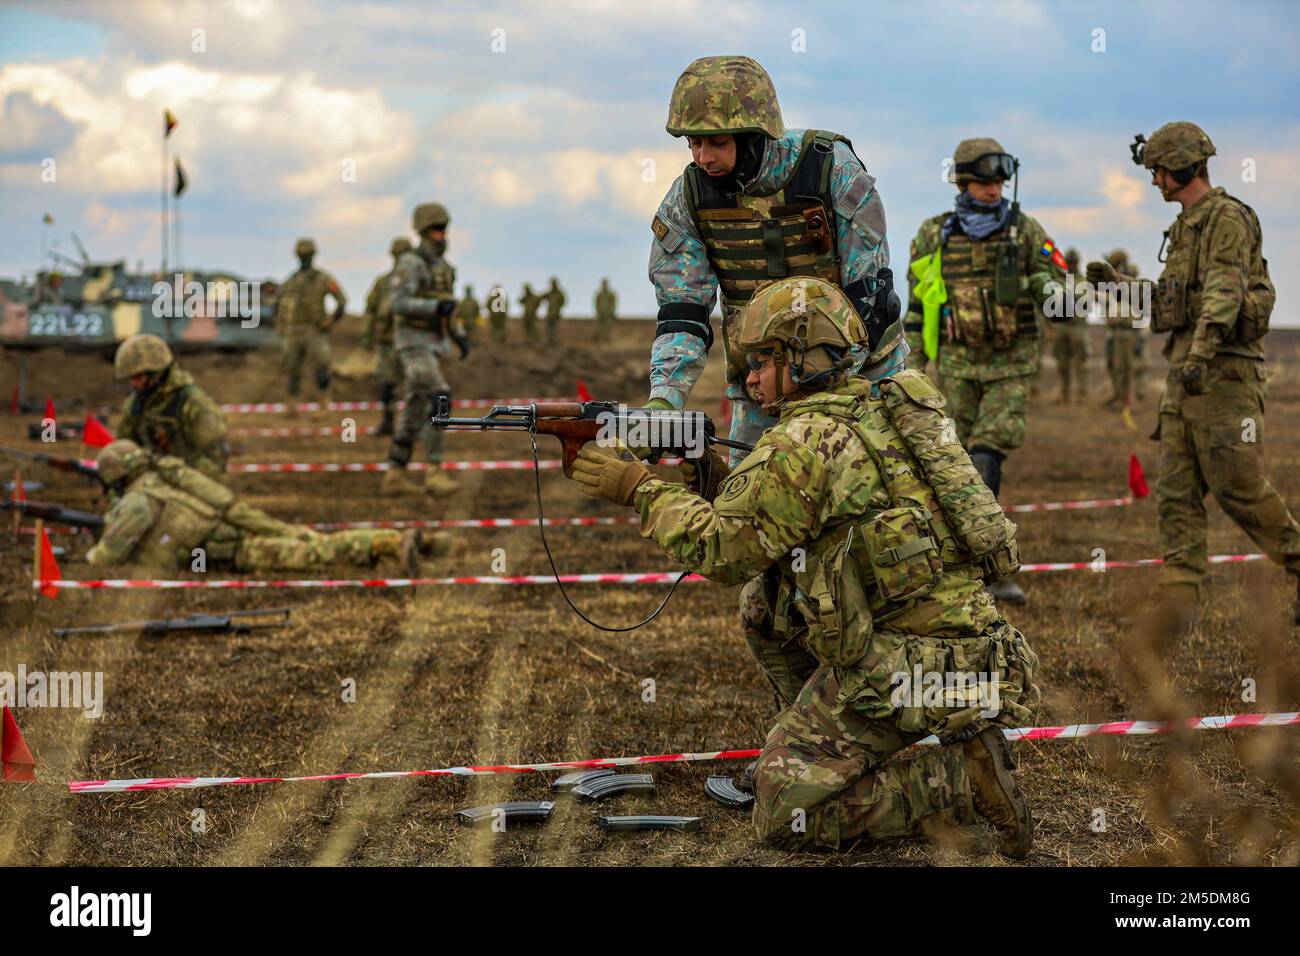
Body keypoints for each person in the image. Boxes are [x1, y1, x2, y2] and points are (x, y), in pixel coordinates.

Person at [568, 276, 1038, 857]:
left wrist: (640, 491)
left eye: (763, 362)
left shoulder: (804, 443)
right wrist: (710, 476)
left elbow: (722, 552)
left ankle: (963, 782)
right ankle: (827, 744)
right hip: (974, 658)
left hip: (906, 669)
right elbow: (776, 533)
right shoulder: (877, 408)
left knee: (785, 809)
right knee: (765, 604)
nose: (750, 379)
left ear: (803, 358)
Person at [1093, 121, 1296, 632]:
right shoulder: (1185, 226)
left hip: (1222, 378)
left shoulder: (1228, 219)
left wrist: (1198, 359)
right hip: (1185, 378)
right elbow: (1172, 302)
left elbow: (1223, 299)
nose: (1155, 181)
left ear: (1184, 167)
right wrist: (1118, 287)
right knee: (1175, 493)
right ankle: (1177, 604)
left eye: (1159, 171)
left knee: (1239, 488)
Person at [646, 55, 895, 465]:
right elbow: (682, 313)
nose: (703, 158)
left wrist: (819, 393)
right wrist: (664, 401)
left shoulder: (831, 172)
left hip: (859, 380)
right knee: (743, 514)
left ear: (755, 135)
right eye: (693, 142)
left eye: (717, 143)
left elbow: (868, 301)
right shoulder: (689, 201)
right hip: (764, 389)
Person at [904, 137, 1067, 605]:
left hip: (1010, 365)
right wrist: (908, 371)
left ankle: (991, 567)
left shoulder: (1026, 232)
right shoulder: (934, 235)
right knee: (954, 467)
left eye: (998, 182)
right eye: (983, 183)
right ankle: (956, 564)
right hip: (956, 366)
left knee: (987, 457)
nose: (994, 191)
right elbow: (919, 308)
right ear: (962, 182)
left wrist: (1050, 291)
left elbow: (1058, 293)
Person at [86, 440, 448, 574]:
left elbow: (106, 558)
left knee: (313, 554)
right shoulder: (156, 482)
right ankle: (414, 541)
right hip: (232, 531)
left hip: (236, 550)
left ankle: (389, 544)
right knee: (309, 542)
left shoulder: (135, 502)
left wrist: (89, 549)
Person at [381, 202, 470, 498]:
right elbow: (398, 303)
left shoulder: (443, 268)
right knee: (440, 395)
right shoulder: (410, 263)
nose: (441, 236)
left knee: (415, 406)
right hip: (412, 343)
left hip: (434, 345)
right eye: (436, 230)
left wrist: (459, 335)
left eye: (444, 229)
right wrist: (434, 307)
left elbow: (447, 307)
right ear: (422, 231)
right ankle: (434, 470)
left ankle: (395, 471)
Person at [113, 333, 227, 480]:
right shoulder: (134, 405)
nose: (133, 384)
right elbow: (125, 449)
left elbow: (214, 458)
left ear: (156, 374)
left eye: (138, 377)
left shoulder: (193, 404)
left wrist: (182, 480)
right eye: (131, 378)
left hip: (190, 485)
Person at [275, 238, 347, 405]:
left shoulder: (323, 279)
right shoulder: (290, 281)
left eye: (307, 255)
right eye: (302, 255)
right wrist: (281, 323)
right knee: (292, 368)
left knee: (321, 366)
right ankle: (291, 405)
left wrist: (330, 321)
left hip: (315, 330)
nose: (304, 258)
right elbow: (279, 304)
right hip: (293, 331)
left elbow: (342, 301)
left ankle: (323, 403)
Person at [361, 237, 412, 437]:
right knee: (387, 384)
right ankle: (388, 421)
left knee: (413, 384)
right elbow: (370, 309)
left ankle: (412, 425)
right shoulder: (383, 283)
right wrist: (367, 333)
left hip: (411, 342)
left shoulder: (416, 282)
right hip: (388, 343)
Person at [1101, 249, 1140, 409]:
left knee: (1127, 367)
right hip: (1116, 333)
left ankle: (1128, 400)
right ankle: (1119, 396)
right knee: (1115, 366)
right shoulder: (1115, 285)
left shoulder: (1130, 284)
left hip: (1127, 332)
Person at [1052, 248, 1090, 403]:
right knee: (1062, 363)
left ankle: (1082, 393)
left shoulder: (1083, 281)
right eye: (1070, 263)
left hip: (1077, 327)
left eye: (1073, 263)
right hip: (1062, 326)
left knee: (1081, 363)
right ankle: (1064, 392)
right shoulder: (1059, 279)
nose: (1072, 265)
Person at [594, 278, 617, 343]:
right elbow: (596, 304)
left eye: (605, 284)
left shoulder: (611, 294)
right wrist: (598, 311)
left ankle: (607, 340)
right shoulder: (599, 294)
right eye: (603, 284)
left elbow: (613, 304)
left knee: (608, 327)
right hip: (600, 314)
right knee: (599, 327)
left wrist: (612, 312)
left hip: (608, 314)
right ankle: (600, 340)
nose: (604, 285)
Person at [543, 277, 566, 343]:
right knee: (548, 328)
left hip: (555, 314)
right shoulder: (549, 293)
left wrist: (557, 308)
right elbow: (541, 297)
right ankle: (549, 340)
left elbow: (563, 302)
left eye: (553, 283)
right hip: (549, 313)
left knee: (555, 328)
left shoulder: (559, 293)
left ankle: (555, 340)